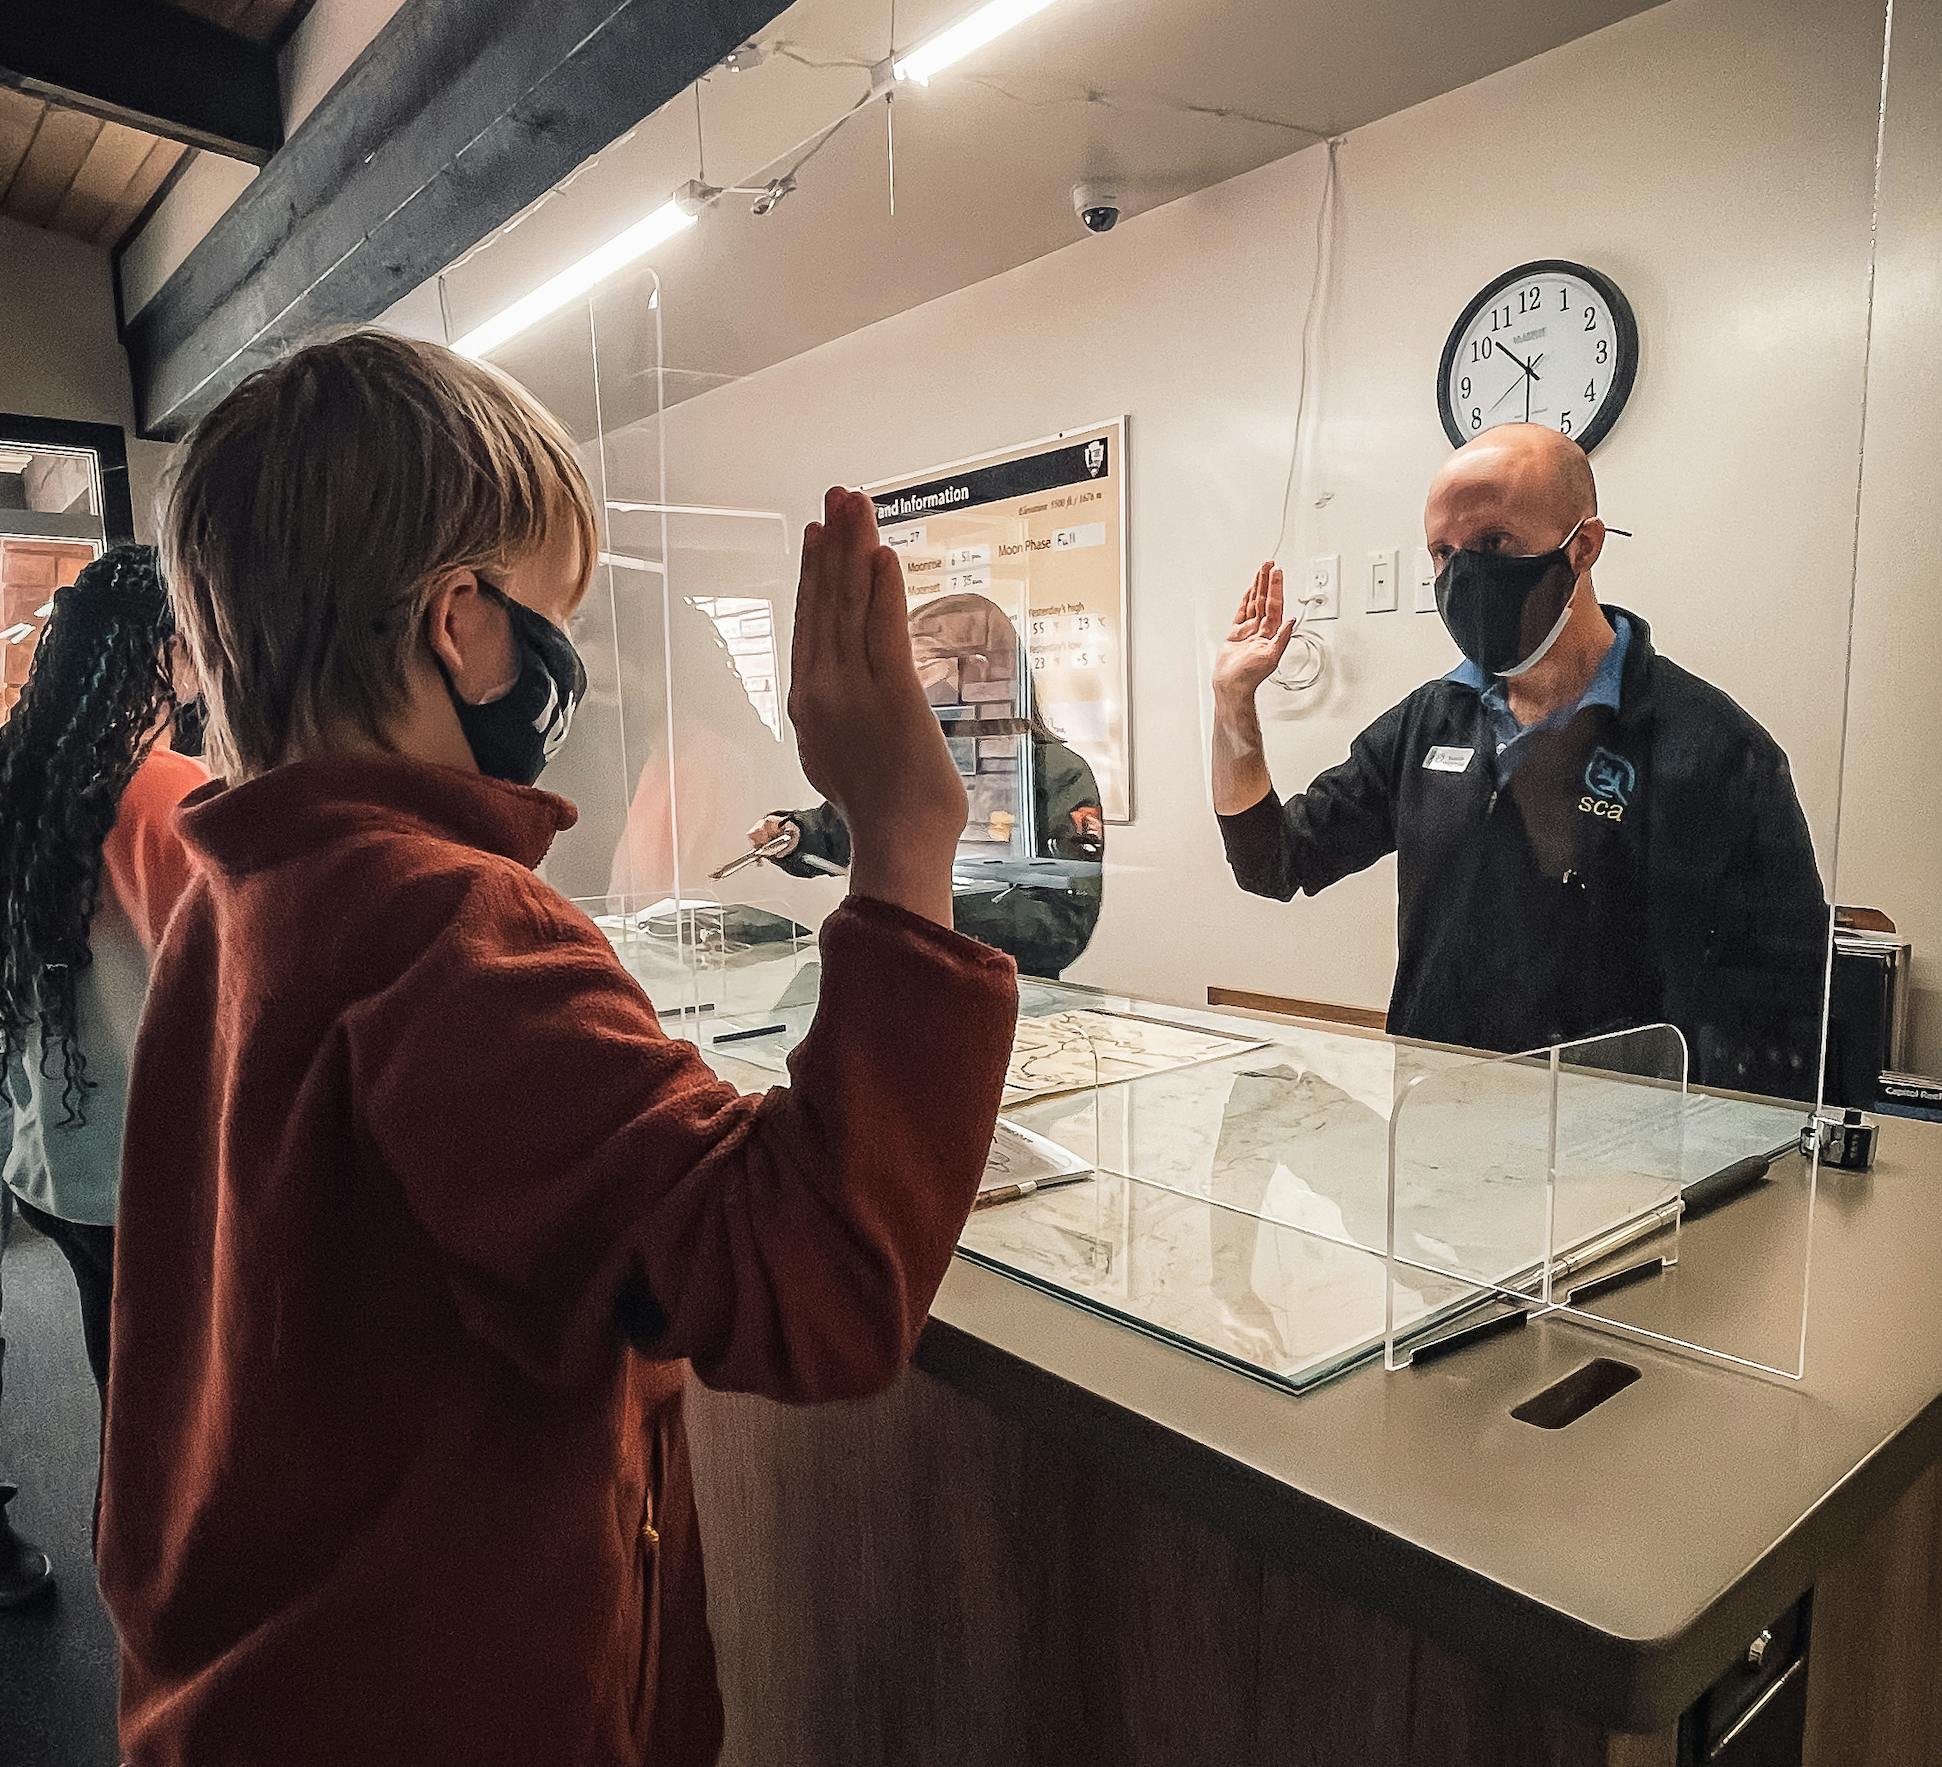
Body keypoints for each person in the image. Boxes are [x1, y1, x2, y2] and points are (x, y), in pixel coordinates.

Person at [97, 331, 1018, 1765]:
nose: (561, 662)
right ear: (462, 623)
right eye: (549, 614)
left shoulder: (245, 890)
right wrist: (905, 828)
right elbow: (820, 1284)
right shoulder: (443, 916)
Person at [1211, 424, 1827, 1097]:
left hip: (1620, 1167)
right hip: (1435, 1138)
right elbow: (1272, 860)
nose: (1463, 572)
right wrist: (1233, 702)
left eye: (1493, 543)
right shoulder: (1428, 722)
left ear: (1583, 546)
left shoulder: (1712, 748)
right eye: (1443, 552)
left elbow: (1789, 1013)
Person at [0, 547, 206, 1603]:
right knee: (173, 1406)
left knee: (118, 1376)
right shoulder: (176, 796)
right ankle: (161, 1581)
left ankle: (138, 1560)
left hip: (53, 1159)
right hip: (150, 1169)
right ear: (164, 651)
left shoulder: (18, 771)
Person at [750, 591, 1107, 979]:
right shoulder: (910, 761)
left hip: (1003, 990)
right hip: (904, 979)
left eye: (917, 663)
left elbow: (1063, 926)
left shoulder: (1054, 772)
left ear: (977, 670)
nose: (902, 681)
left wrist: (926, 910)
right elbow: (840, 831)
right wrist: (793, 834)